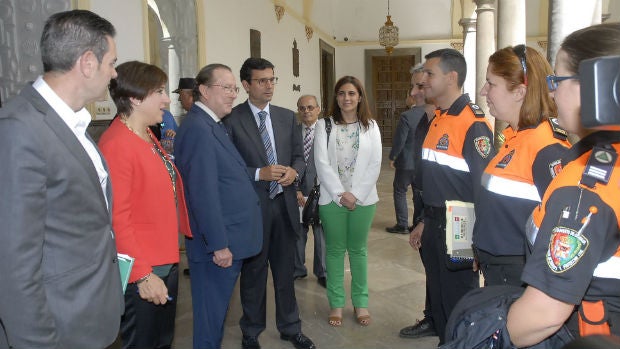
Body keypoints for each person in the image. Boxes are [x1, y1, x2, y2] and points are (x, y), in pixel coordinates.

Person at [0, 10, 124, 349]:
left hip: (89, 315)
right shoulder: (19, 129)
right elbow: (13, 265)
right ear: (87, 62)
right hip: (57, 327)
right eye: (111, 62)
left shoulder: (71, 123)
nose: (114, 74)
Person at [507, 22, 620, 347]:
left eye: (558, 79)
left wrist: (495, 334)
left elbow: (544, 314)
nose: (552, 91)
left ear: (599, 85)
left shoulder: (586, 188)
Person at [98, 60, 192, 349]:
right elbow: (118, 218)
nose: (167, 99)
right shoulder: (117, 144)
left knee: (161, 340)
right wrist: (142, 275)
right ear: (135, 98)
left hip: (164, 256)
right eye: (160, 91)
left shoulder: (147, 134)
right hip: (144, 268)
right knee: (143, 342)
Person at [224, 57, 315, 349]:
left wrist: (294, 172)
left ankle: (290, 327)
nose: (268, 86)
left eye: (272, 79)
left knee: (286, 272)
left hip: (285, 205)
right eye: (261, 81)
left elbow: (300, 157)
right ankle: (251, 330)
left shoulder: (287, 117)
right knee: (254, 274)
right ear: (246, 85)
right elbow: (226, 167)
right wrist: (257, 173)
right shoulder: (232, 119)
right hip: (253, 208)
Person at [175, 63, 263, 349]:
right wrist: (218, 245)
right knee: (210, 322)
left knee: (215, 318)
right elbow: (202, 193)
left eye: (234, 88)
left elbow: (227, 175)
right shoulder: (199, 128)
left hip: (229, 238)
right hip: (218, 245)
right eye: (226, 88)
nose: (233, 94)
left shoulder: (211, 124)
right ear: (203, 90)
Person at [473, 45, 570, 287]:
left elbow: (560, 234)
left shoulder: (547, 148)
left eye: (491, 83)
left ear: (519, 92)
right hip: (498, 268)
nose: (483, 91)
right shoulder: (515, 137)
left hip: (520, 276)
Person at [416, 48, 495, 344]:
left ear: (451, 78)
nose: (423, 79)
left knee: (459, 297)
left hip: (461, 223)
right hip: (435, 220)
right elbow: (436, 181)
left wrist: (477, 241)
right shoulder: (439, 117)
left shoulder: (472, 124)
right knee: (437, 295)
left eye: (429, 73)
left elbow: (484, 188)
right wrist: (425, 220)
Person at [314, 76, 382, 327]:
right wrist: (340, 194)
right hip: (332, 199)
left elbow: (375, 163)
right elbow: (321, 163)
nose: (346, 98)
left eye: (352, 93)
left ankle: (361, 302)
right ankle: (336, 304)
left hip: (363, 200)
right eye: (342, 93)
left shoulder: (371, 126)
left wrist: (357, 195)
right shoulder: (325, 125)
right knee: (333, 251)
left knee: (358, 250)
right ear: (336, 97)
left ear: (360, 97)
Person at [399, 64, 439, 339]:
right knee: (432, 266)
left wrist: (426, 219)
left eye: (420, 87)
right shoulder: (425, 122)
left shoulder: (457, 123)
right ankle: (433, 317)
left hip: (444, 212)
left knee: (449, 271)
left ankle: (451, 326)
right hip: (425, 204)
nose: (414, 93)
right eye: (414, 87)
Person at [386, 66, 427, 234]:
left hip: (406, 162)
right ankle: (418, 224)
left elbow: (400, 140)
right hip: (422, 163)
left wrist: (393, 156)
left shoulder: (407, 116)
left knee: (400, 190)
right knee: (418, 194)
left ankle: (402, 224)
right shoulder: (434, 114)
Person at [294, 94, 327, 288]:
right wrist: (295, 189)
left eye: (310, 107)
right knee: (298, 232)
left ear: (318, 109)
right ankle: (298, 268)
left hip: (320, 191)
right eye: (302, 108)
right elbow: (288, 160)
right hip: (298, 191)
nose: (306, 111)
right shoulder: (293, 132)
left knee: (321, 232)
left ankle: (322, 271)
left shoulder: (327, 132)